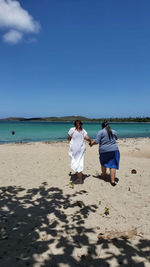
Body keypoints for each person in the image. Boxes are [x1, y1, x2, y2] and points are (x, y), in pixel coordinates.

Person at [90, 120, 120, 186]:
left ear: (102, 126)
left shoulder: (100, 132)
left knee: (103, 163)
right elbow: (116, 138)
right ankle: (112, 181)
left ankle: (103, 176)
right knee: (113, 165)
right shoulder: (114, 131)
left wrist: (91, 143)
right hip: (114, 150)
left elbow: (97, 141)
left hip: (104, 151)